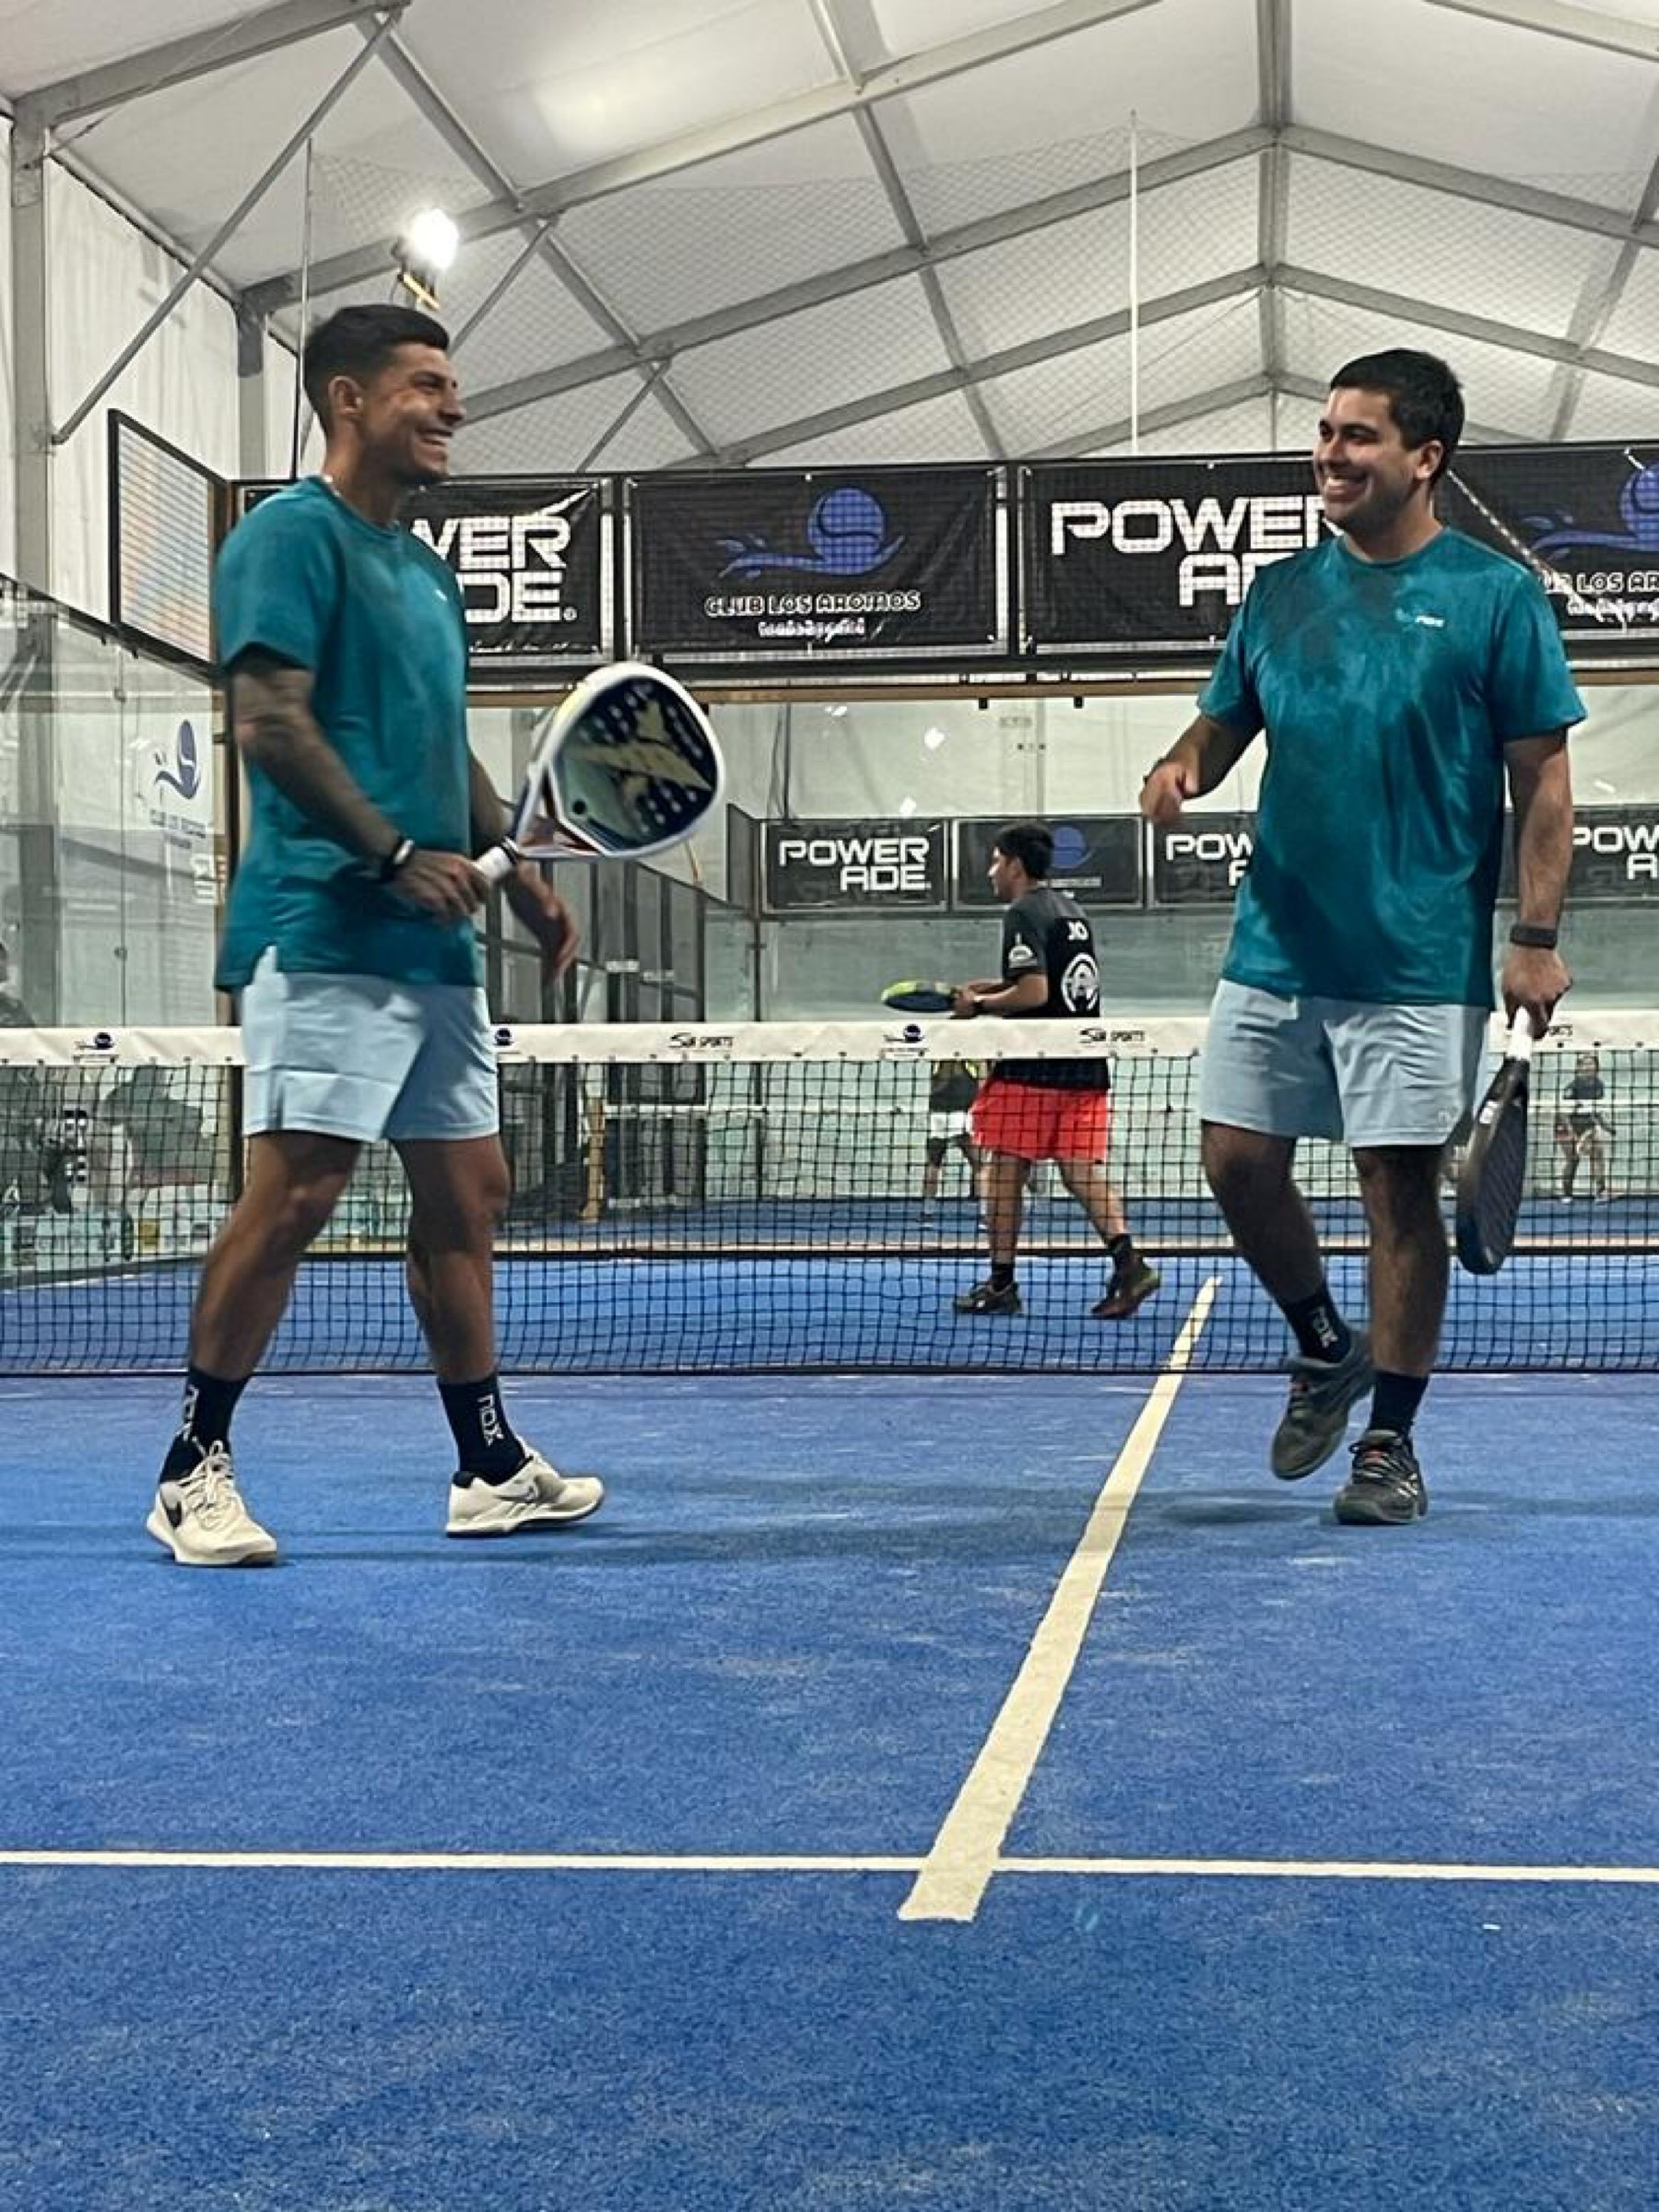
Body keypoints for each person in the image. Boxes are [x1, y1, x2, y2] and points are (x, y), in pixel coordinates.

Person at [147, 303, 599, 1568]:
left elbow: (442, 747)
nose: (453, 408)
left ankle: (487, 1465)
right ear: (348, 400)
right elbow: (270, 722)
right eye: (426, 386)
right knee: (298, 1190)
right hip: (327, 926)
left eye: (453, 387)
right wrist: (395, 857)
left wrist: (521, 874)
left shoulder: (427, 572)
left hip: (434, 951)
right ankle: (190, 1469)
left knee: (470, 1195)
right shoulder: (288, 537)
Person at [1143, 348, 1580, 1526]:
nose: (1329, 455)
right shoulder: (1279, 593)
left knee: (1397, 1189)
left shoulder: (1496, 597)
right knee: (1235, 1160)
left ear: (1425, 457)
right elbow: (1223, 720)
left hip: (1418, 958)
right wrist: (1182, 767)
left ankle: (1389, 1442)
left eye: (1358, 436)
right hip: (1276, 942)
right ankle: (1324, 1343)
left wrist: (1535, 935)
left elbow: (1543, 783)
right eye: (1325, 432)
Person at [949, 819, 1159, 1321]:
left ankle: (1001, 1284)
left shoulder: (1021, 912)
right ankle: (1130, 1264)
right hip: (1084, 1064)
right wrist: (984, 988)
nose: (991, 871)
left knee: (1004, 1169)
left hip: (1033, 1067)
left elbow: (1034, 992)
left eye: (996, 861)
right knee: (1080, 1170)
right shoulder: (1071, 910)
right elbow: (1046, 981)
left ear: (1015, 865)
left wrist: (979, 1007)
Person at [920, 1057, 979, 1215]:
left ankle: (927, 1210)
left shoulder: (941, 1063)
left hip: (942, 1116)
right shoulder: (947, 1064)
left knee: (933, 1162)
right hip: (956, 1115)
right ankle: (984, 1210)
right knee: (979, 1163)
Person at [1555, 1052, 1611, 1200]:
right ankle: (1567, 1194)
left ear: (1596, 1067)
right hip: (1565, 1126)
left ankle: (1600, 1192)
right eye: (1585, 1064)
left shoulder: (1599, 1085)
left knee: (1598, 1153)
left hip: (1586, 1126)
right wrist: (1572, 1134)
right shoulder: (1572, 1087)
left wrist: (1606, 1126)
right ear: (1578, 1067)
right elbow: (1563, 1113)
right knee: (1573, 1158)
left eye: (1591, 1063)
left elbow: (1595, 1111)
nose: (1588, 1067)